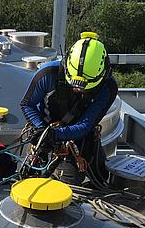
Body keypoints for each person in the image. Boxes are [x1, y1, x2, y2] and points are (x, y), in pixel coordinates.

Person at [20, 32, 118, 185]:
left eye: (85, 87)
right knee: (32, 179)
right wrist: (42, 130)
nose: (78, 90)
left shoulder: (107, 88)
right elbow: (28, 104)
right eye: (73, 84)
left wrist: (56, 134)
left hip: (79, 136)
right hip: (44, 131)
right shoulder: (48, 74)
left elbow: (86, 124)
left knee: (93, 177)